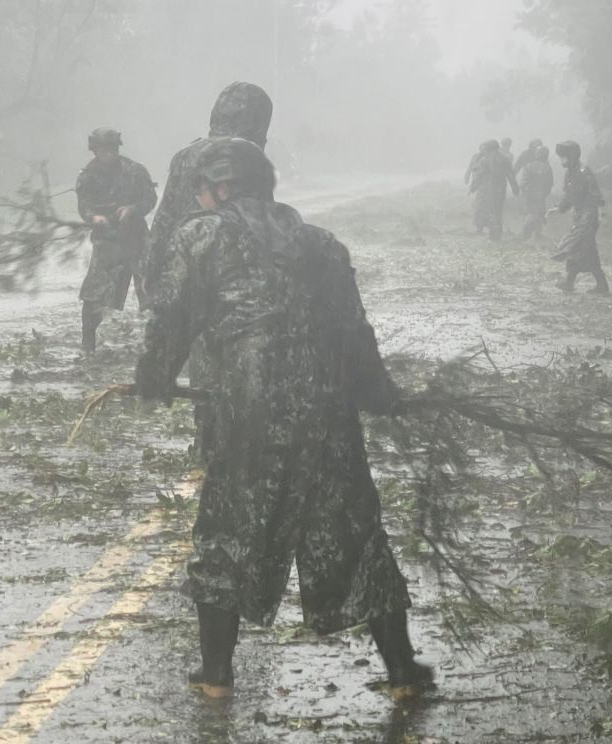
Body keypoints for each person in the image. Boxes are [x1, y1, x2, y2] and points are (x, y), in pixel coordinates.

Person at [134, 138, 434, 703]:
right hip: (329, 415)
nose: (201, 202)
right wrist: (380, 394)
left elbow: (170, 318)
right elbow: (354, 333)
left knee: (229, 532)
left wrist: (153, 378)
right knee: (356, 534)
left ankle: (216, 675)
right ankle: (401, 672)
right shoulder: (322, 244)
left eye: (204, 192)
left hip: (250, 414)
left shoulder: (202, 236)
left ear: (223, 187)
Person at [143, 81, 273, 462]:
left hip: (190, 275)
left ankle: (207, 440)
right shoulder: (249, 159)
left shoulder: (186, 156)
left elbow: (165, 217)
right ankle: (224, 442)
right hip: (233, 278)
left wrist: (151, 271)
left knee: (205, 361)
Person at [75, 127, 157, 352]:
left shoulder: (135, 171)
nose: (107, 153)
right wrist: (94, 217)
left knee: (151, 292)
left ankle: (158, 343)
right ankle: (88, 345)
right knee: (93, 297)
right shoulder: (87, 176)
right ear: (94, 150)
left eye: (110, 148)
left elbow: (150, 198)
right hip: (107, 243)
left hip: (137, 239)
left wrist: (133, 209)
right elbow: (84, 206)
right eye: (102, 149)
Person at [548, 140, 609, 293]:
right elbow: (569, 196)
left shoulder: (584, 172)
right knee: (585, 249)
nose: (561, 160)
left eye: (564, 157)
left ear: (572, 156)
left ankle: (570, 279)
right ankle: (599, 284)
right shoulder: (570, 173)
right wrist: (558, 208)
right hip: (579, 215)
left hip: (588, 215)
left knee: (577, 245)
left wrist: (601, 214)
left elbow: (595, 195)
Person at [468, 140, 519, 241]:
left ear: (489, 149)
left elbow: (479, 175)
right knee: (498, 211)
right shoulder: (504, 159)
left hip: (489, 189)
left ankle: (494, 236)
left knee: (491, 212)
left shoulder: (485, 160)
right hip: (501, 189)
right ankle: (497, 235)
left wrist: (472, 187)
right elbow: (511, 175)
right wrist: (515, 189)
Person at [518, 146, 554, 240]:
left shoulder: (529, 166)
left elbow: (523, 182)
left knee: (529, 212)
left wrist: (525, 191)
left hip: (529, 194)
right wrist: (545, 192)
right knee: (539, 213)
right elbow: (549, 183)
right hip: (540, 194)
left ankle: (526, 233)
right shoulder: (547, 167)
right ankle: (536, 233)